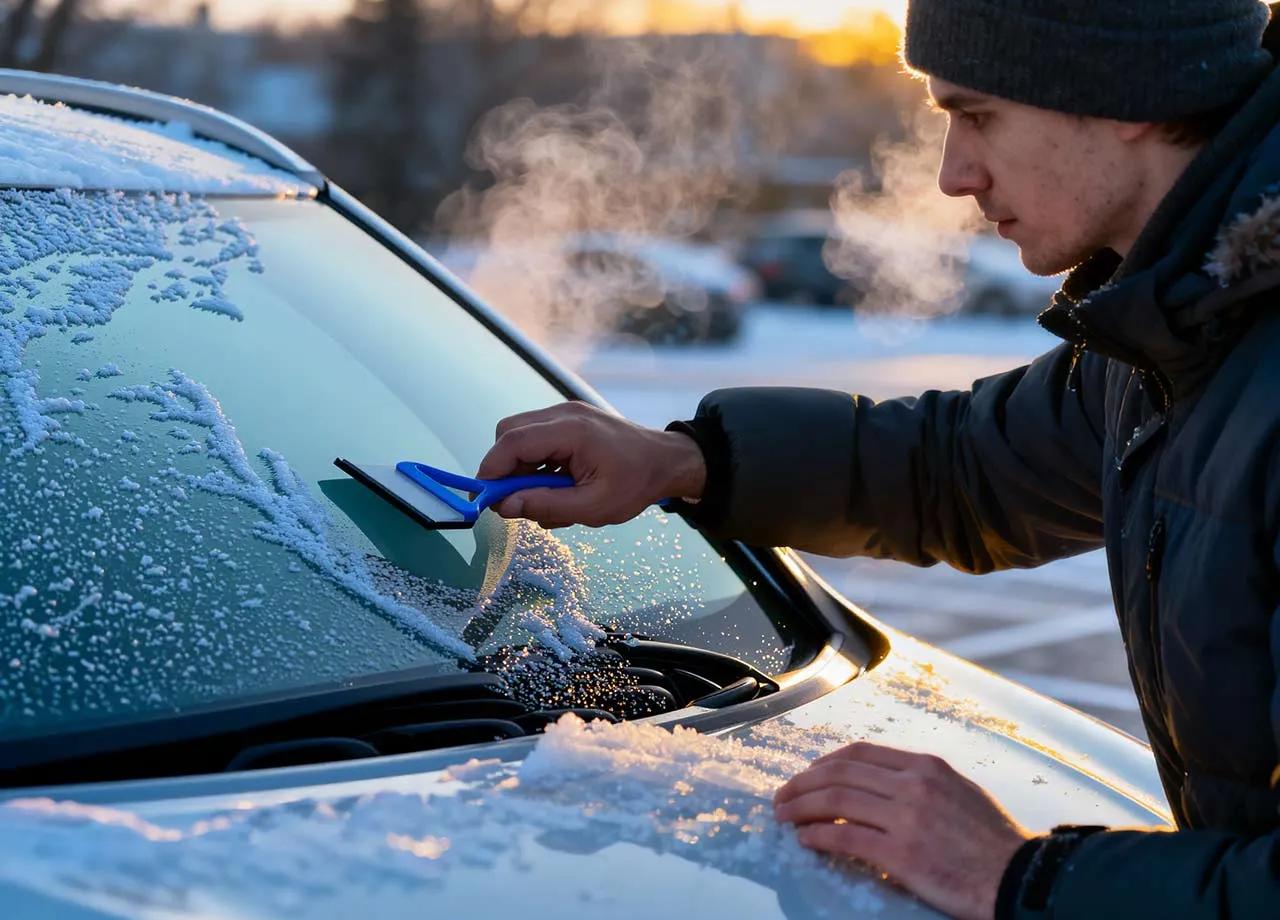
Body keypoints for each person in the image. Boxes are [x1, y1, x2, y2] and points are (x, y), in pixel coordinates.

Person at [475, 1, 1280, 916]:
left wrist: (1022, 878)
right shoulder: (1185, 326)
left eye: (977, 115)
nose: (953, 174)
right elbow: (966, 469)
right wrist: (683, 462)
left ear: (1128, 91)